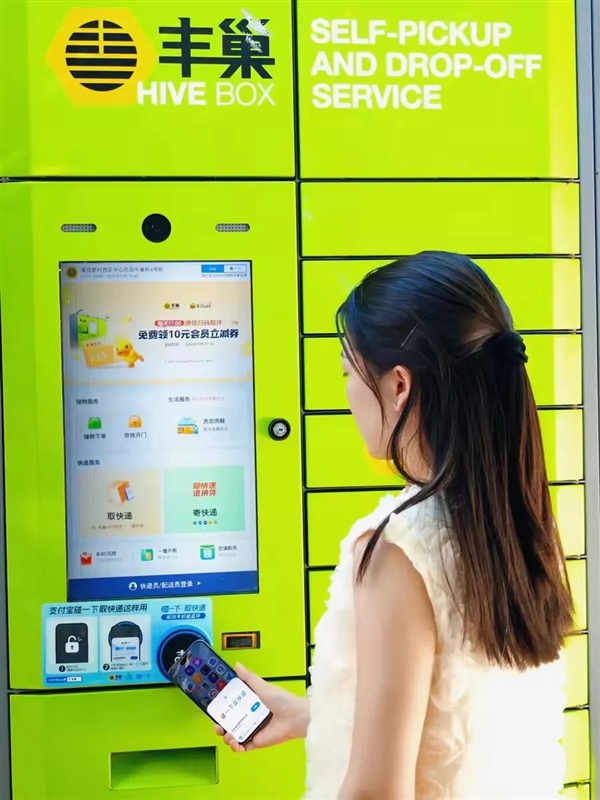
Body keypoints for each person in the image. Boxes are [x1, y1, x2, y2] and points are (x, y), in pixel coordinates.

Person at [216, 252, 574, 799]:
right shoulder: (516, 528)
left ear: (399, 385)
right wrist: (313, 714)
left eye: (348, 372)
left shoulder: (398, 550)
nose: (348, 394)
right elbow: (459, 720)